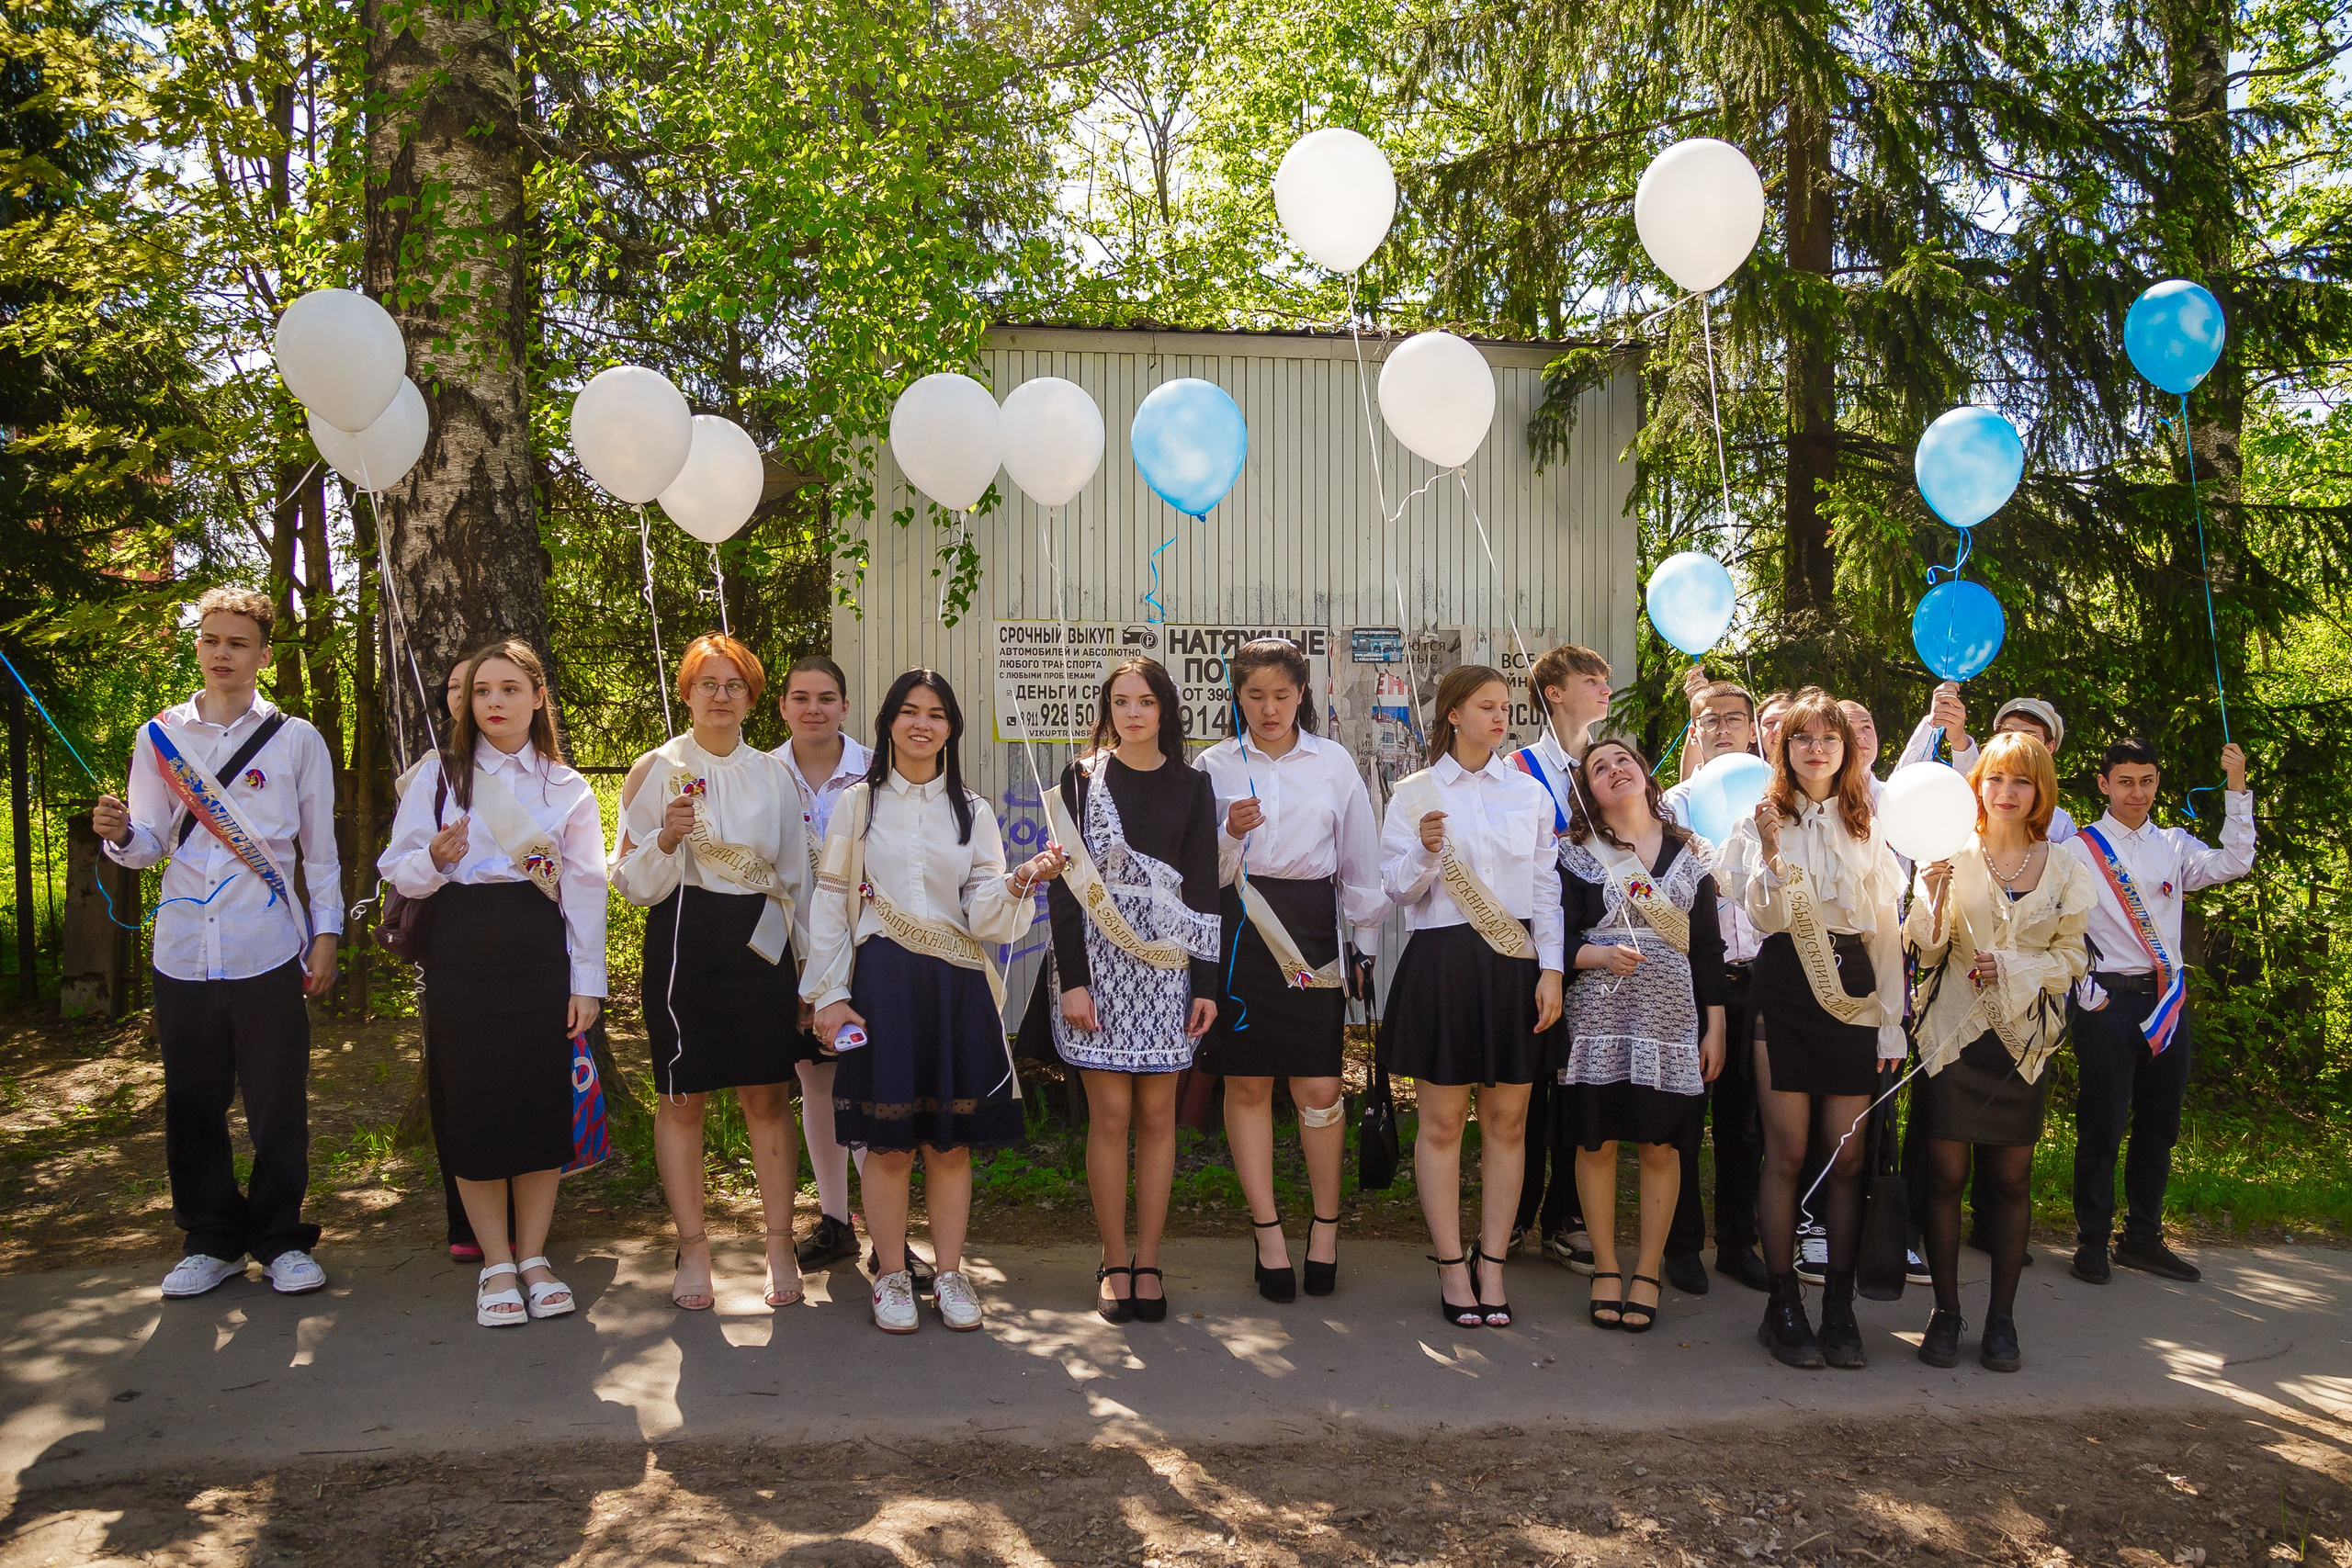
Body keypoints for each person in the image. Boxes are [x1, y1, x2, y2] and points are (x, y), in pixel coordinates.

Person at [95, 587, 343, 1300]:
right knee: (192, 1102)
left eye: (237, 643)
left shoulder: (297, 739)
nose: (221, 653)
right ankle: (211, 1240)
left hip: (267, 945)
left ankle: (281, 1238)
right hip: (182, 950)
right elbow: (148, 843)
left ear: (262, 655)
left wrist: (326, 935)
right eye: (210, 640)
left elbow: (320, 853)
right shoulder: (159, 737)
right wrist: (120, 834)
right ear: (197, 646)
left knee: (277, 1103)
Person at [802, 670, 1067, 1334]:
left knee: (950, 1146)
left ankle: (950, 1273)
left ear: (951, 727)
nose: (923, 724)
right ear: (889, 721)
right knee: (889, 1146)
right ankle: (891, 1274)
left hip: (956, 989)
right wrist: (830, 995)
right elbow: (830, 903)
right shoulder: (857, 806)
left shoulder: (972, 811)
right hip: (883, 987)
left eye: (937, 713)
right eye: (910, 711)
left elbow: (983, 910)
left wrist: (1019, 881)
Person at [379, 640, 606, 1327]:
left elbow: (585, 889)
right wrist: (433, 858)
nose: (495, 702)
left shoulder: (566, 786)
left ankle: (534, 1256)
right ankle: (496, 1263)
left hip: (539, 952)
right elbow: (398, 869)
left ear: (537, 698)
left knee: (539, 1107)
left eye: (510, 689)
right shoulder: (439, 775)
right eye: (482, 691)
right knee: (473, 1108)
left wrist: (586, 982)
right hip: (462, 949)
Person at [612, 636, 814, 1312]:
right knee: (682, 1098)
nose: (721, 696)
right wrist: (666, 839)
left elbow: (796, 878)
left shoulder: (774, 775)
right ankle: (693, 1247)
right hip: (683, 939)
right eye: (708, 684)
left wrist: (809, 972)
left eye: (734, 685)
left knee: (767, 1097)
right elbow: (629, 881)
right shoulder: (655, 768)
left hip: (761, 943)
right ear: (687, 692)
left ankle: (779, 1243)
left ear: (753, 698)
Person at [1020, 656, 1222, 1325]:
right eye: (1120, 701)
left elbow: (1202, 885)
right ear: (1107, 710)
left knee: (1159, 1117)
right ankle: (1112, 1259)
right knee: (1109, 1116)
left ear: (1165, 709)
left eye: (1145, 701)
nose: (1132, 713)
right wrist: (1074, 980)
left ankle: (1150, 1259)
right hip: (1098, 963)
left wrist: (1206, 981)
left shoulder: (1193, 786)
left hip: (1166, 964)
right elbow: (1066, 884)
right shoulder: (1081, 779)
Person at [1717, 688, 1905, 1370]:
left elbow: (1884, 931)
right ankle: (1783, 1304)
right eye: (1803, 737)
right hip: (1788, 984)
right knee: (1788, 1152)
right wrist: (1771, 852)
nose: (1817, 748)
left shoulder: (1867, 824)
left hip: (1854, 990)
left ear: (1846, 748)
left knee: (1847, 1156)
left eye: (1829, 737)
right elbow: (1762, 919)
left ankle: (1839, 1307)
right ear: (1784, 748)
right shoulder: (1760, 819)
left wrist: (1892, 1022)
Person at [1379, 664, 1566, 1331]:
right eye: (1487, 706)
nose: (1500, 717)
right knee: (1440, 1123)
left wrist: (1552, 970)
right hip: (1444, 966)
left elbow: (1545, 888)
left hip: (1514, 967)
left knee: (1508, 1124)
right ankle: (1451, 1266)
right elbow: (1395, 890)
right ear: (1453, 713)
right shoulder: (1414, 795)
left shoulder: (1530, 794)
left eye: (1505, 707)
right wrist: (1426, 852)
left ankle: (1494, 1264)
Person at [1197, 638, 1385, 1301]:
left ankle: (1326, 1228)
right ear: (1236, 696)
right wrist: (1229, 832)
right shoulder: (1213, 764)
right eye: (1254, 695)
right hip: (1240, 929)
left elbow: (1360, 861)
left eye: (1281, 695)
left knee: (1320, 1086)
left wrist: (1363, 945)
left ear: (1302, 694)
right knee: (1247, 1083)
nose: (1269, 709)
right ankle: (1268, 1232)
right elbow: (1199, 872)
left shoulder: (1333, 762)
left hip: (1310, 928)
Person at [1905, 730, 2093, 1371]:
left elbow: (2071, 959)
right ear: (1976, 784)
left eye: (2021, 781)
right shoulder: (1948, 854)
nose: (2006, 792)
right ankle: (1945, 1312)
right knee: (1944, 1176)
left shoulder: (2065, 866)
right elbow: (1925, 950)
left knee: (2011, 1180)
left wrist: (2013, 967)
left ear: (2041, 791)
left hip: (2022, 1043)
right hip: (1953, 1038)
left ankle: (2002, 1320)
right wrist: (1931, 895)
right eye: (1995, 778)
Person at [2062, 736, 2252, 1285]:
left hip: (2166, 1001)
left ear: (2157, 782)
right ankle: (2091, 1240)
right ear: (2104, 784)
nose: (2137, 793)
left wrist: (2236, 787)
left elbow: (2235, 862)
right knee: (2101, 1125)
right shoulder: (2078, 849)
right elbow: (2058, 927)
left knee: (2159, 1126)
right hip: (2106, 1003)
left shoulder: (2174, 844)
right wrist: (2083, 989)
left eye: (2146, 781)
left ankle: (2142, 1238)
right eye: (2125, 782)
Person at [1556, 738, 1727, 1334]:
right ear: (1588, 791)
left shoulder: (1691, 853)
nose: (1614, 769)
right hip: (1598, 1020)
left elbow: (1708, 947)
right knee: (1597, 1143)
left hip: (1672, 1023)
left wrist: (1716, 1025)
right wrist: (1600, 955)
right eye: (1598, 767)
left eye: (1622, 760)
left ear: (1646, 774)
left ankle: (1649, 1270)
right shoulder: (1576, 855)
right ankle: (1606, 1267)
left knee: (1661, 1146)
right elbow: (1555, 940)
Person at [1504, 642, 1612, 1276]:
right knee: (1531, 1081)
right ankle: (1515, 1211)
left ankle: (1566, 1216)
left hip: (1598, 936)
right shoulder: (1518, 767)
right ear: (1554, 692)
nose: (1604, 689)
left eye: (1605, 680)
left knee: (1581, 1080)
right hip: (1539, 937)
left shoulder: (1609, 762)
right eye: (1590, 680)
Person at [1658, 679, 1770, 1292]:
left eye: (1734, 718)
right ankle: (1680, 1246)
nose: (1722, 727)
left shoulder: (1775, 801)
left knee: (1744, 1124)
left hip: (1757, 978)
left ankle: (1736, 1242)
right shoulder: (1668, 807)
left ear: (1754, 730)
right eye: (1710, 719)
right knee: (1682, 1119)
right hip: (1691, 980)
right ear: (1694, 732)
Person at [771, 654, 876, 1276]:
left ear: (844, 706)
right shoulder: (763, 774)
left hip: (867, 951)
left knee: (867, 1083)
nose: (814, 709)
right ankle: (836, 1222)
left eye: (826, 698)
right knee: (815, 1083)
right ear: (783, 706)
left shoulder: (877, 771)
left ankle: (887, 1230)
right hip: (788, 953)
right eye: (801, 698)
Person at [1898, 686, 2076, 841]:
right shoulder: (1979, 799)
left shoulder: (2060, 825)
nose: (2006, 793)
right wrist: (1947, 728)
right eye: (2007, 731)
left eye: (2022, 781)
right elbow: (1901, 786)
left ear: (2049, 747)